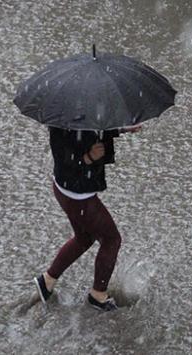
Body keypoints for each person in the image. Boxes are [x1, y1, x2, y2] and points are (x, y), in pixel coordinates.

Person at [33, 123, 142, 311]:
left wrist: (121, 128)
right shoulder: (62, 124)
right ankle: (98, 295)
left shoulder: (80, 114)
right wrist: (89, 158)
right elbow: (65, 159)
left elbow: (93, 128)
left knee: (84, 238)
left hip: (66, 189)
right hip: (77, 196)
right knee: (111, 239)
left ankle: (47, 280)